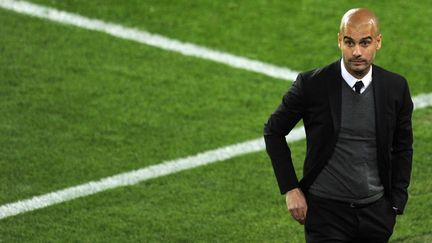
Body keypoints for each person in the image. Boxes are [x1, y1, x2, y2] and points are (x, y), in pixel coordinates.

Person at [263, 8, 413, 243]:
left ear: (378, 42)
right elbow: (273, 131)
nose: (356, 52)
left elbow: (403, 146)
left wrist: (396, 202)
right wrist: (290, 188)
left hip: (376, 215)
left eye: (365, 43)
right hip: (326, 214)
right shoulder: (311, 85)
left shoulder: (396, 87)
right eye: (349, 42)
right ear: (339, 41)